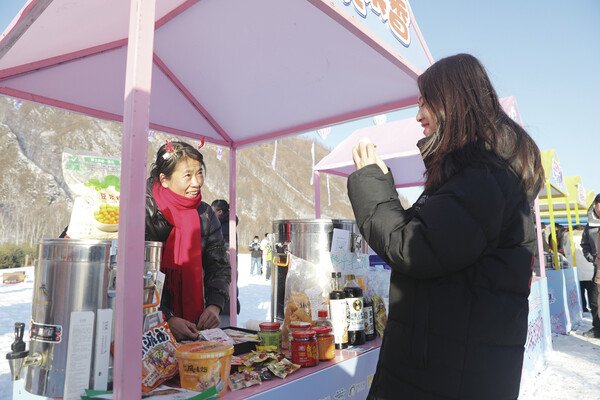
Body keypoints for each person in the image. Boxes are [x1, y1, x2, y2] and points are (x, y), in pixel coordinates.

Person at [347, 54, 543, 399]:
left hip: (446, 379)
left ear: (454, 101)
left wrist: (371, 183)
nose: (418, 115)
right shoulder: (480, 174)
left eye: (425, 102)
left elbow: (414, 248)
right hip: (451, 370)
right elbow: (434, 240)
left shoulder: (486, 177)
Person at [145, 140, 231, 341]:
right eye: (188, 175)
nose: (197, 182)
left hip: (194, 325)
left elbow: (219, 266)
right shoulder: (145, 210)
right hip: (148, 325)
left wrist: (214, 305)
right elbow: (138, 276)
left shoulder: (205, 213)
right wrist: (167, 318)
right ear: (164, 180)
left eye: (199, 173)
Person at [211, 199, 241, 325]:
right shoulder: (227, 226)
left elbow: (224, 256)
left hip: (223, 275)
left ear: (220, 212)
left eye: (213, 212)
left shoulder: (224, 228)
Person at [581, 194, 600, 338]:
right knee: (594, 300)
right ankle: (597, 328)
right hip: (598, 267)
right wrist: (592, 258)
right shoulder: (590, 226)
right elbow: (585, 244)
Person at [565, 225, 596, 314]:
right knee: (592, 291)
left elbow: (566, 251)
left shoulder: (568, 237)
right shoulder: (588, 236)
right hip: (589, 266)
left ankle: (583, 308)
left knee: (579, 290)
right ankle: (593, 308)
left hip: (575, 268)